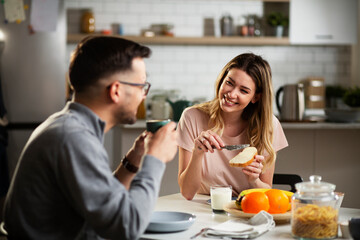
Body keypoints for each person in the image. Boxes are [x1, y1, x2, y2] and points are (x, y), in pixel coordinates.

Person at [3, 36, 178, 239]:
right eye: (141, 86)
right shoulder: (73, 138)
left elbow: (102, 201)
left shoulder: (67, 124)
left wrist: (134, 160)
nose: (143, 96)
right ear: (116, 91)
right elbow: (127, 225)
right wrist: (154, 159)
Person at [177, 53, 288, 200]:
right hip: (203, 208)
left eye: (243, 91)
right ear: (222, 80)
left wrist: (254, 180)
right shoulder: (191, 117)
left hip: (244, 208)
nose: (231, 94)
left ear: (256, 97)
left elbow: (267, 192)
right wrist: (197, 154)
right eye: (229, 83)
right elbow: (187, 192)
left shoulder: (268, 125)